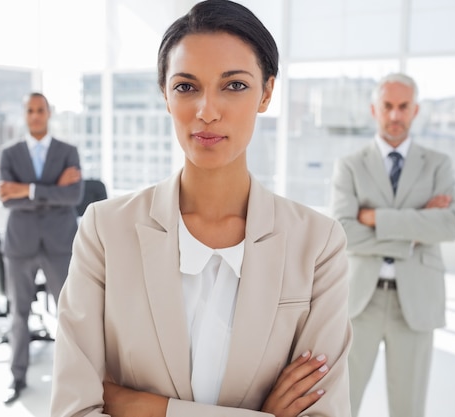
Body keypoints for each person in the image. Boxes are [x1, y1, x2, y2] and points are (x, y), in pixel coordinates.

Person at [50, 1, 351, 416]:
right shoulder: (105, 231)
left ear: (266, 93)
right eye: (186, 87)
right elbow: (74, 409)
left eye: (234, 85)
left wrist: (154, 409)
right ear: (165, 95)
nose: (207, 111)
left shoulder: (318, 244)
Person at [330, 73, 455, 417]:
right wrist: (417, 227)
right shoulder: (350, 166)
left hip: (416, 303)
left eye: (403, 107)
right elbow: (344, 231)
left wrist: (375, 217)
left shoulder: (438, 165)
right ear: (374, 109)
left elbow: (449, 225)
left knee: (409, 408)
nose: (394, 115)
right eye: (387, 106)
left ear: (415, 110)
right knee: (341, 403)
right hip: (360, 301)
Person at [0, 92, 84, 404]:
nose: (35, 115)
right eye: (30, 110)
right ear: (24, 114)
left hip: (60, 244)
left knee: (69, 314)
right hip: (20, 245)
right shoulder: (9, 153)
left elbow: (73, 197)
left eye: (41, 110)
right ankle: (17, 377)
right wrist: (50, 189)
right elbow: (8, 199)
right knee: (18, 315)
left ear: (49, 113)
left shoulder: (67, 151)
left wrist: (28, 190)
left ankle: (74, 381)